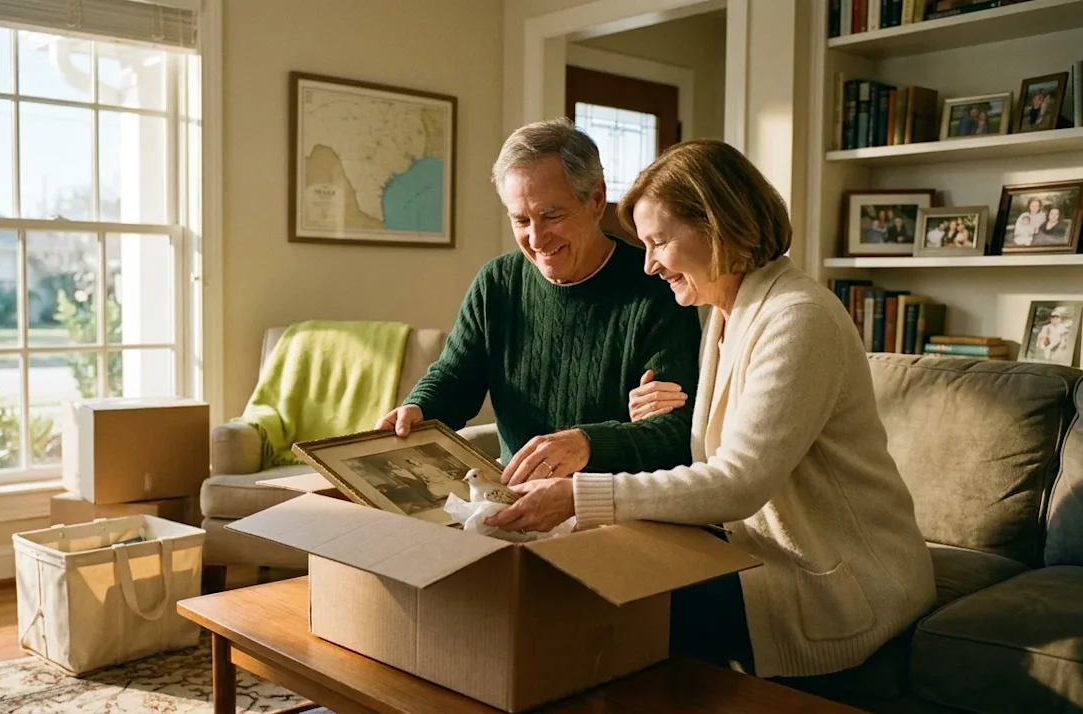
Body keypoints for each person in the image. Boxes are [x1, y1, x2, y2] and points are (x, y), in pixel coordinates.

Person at [486, 139, 936, 681]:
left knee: (594, 608)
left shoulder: (798, 317)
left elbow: (738, 483)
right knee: (574, 572)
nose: (649, 265)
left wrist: (578, 495)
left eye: (659, 243)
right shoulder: (726, 315)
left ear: (717, 227)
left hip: (836, 583)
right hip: (756, 553)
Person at [375, 118, 703, 483]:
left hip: (614, 501)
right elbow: (455, 379)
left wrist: (587, 444)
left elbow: (675, 433)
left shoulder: (658, 288)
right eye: (521, 220)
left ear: (596, 200)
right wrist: (417, 408)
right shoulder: (496, 283)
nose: (536, 239)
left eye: (551, 215)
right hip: (514, 495)